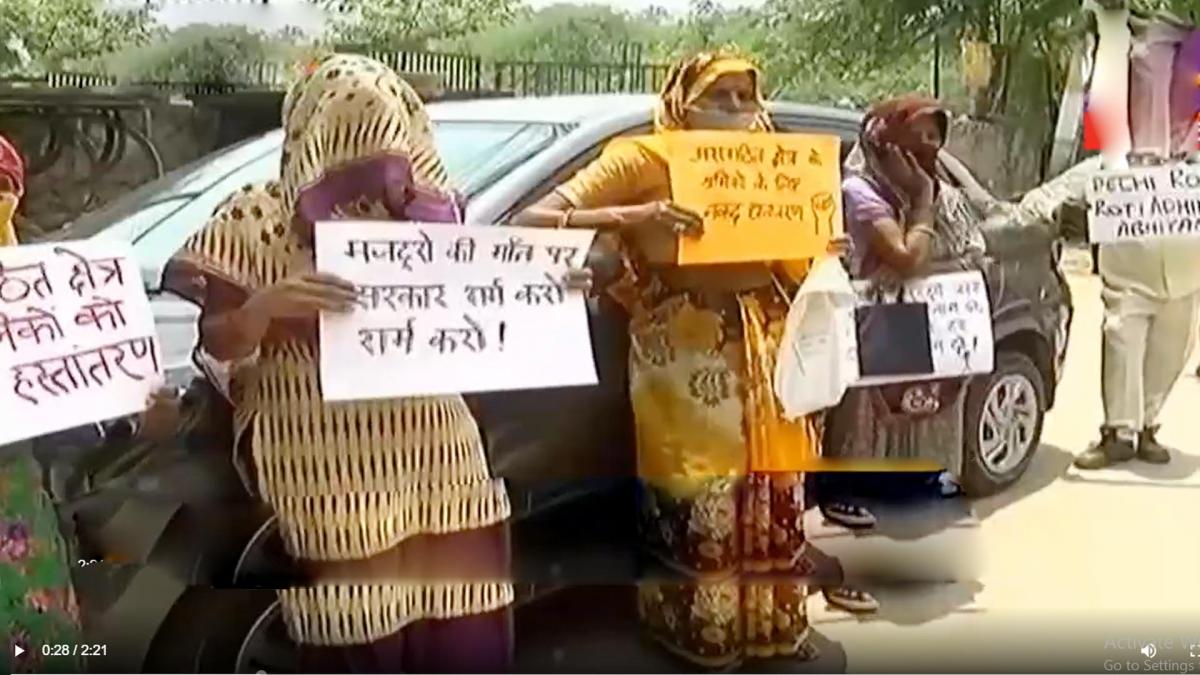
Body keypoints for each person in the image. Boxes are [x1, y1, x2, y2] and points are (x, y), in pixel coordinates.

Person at [512, 50, 876, 668]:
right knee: (700, 491)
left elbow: (800, 257)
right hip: (681, 356)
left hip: (766, 351)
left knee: (773, 486)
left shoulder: (774, 163)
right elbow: (532, 217)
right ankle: (697, 633)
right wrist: (637, 214)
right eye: (720, 96)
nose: (736, 110)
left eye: (745, 96)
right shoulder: (645, 157)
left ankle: (770, 627)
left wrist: (824, 244)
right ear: (684, 101)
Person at [164, 54, 514, 673]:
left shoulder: (428, 220)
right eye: (346, 151)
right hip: (323, 461)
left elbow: (488, 307)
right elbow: (218, 342)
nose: (369, 174)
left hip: (437, 451)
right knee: (353, 620)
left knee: (460, 619)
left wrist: (551, 285)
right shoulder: (252, 218)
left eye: (384, 152)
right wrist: (266, 307)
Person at [819, 95, 988, 527]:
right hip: (877, 331)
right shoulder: (859, 191)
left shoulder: (946, 195)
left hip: (933, 330)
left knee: (930, 414)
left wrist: (923, 266)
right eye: (916, 135)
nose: (928, 145)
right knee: (870, 419)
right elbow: (906, 258)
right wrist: (920, 203)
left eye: (935, 136)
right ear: (884, 141)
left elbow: (973, 256)